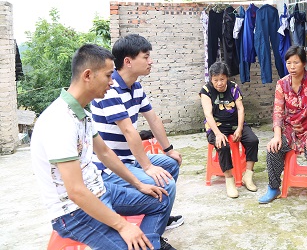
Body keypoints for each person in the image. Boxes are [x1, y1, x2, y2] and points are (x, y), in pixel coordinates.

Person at [30, 44, 173, 250]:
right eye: (108, 75)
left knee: (161, 199)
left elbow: (105, 153)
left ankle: (149, 244)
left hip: (101, 190)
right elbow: (76, 192)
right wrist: (123, 225)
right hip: (74, 212)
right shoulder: (60, 121)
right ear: (88, 75)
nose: (112, 81)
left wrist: (138, 184)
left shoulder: (82, 114)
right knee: (131, 241)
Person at [91, 34, 184, 241]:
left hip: (129, 159)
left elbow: (153, 119)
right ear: (128, 61)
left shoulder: (136, 87)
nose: (151, 61)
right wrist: (147, 167)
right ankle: (151, 239)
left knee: (171, 164)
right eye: (146, 56)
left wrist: (169, 150)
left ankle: (160, 217)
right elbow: (128, 130)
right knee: (166, 185)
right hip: (110, 167)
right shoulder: (110, 89)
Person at [258, 45, 307, 204]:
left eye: (296, 63)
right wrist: (277, 136)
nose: (292, 67)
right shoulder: (281, 84)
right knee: (273, 148)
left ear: (304, 63)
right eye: (289, 63)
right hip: (291, 131)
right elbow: (278, 111)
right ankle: (273, 188)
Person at [200, 61, 260, 198]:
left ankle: (248, 176)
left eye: (222, 79)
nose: (219, 83)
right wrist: (217, 134)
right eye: (215, 80)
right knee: (223, 146)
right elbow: (208, 114)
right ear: (211, 79)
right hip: (216, 126)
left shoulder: (233, 88)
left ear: (227, 77)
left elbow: (240, 109)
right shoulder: (206, 91)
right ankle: (229, 180)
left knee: (253, 140)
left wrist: (239, 128)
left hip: (234, 123)